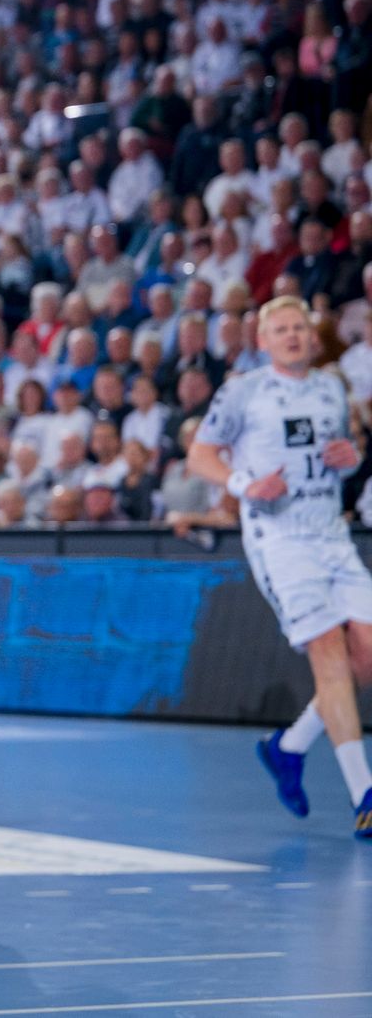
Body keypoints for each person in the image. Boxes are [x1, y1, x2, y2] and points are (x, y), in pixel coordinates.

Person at [187, 296, 371, 840]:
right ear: (263, 341)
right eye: (281, 329)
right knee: (329, 655)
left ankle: (287, 748)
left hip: (331, 534)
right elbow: (201, 454)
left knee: (363, 657)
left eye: (299, 328)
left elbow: (344, 451)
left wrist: (352, 459)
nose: (292, 336)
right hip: (281, 539)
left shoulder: (331, 387)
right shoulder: (243, 391)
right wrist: (244, 484)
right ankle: (365, 794)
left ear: (312, 338)